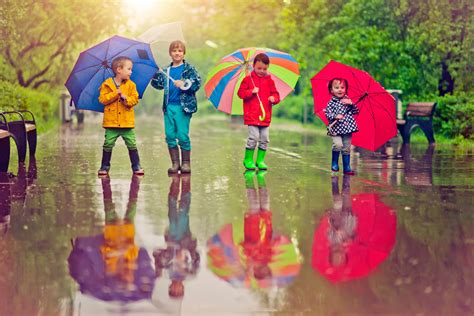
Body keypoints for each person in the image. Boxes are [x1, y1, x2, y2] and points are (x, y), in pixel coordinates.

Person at [151, 40, 201, 174]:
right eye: (174, 51)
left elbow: (197, 83)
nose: (177, 53)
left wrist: (184, 83)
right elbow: (157, 85)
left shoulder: (188, 69)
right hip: (169, 107)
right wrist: (155, 73)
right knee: (170, 135)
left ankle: (185, 163)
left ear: (184, 53)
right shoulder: (166, 70)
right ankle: (175, 163)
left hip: (183, 107)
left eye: (179, 51)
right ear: (170, 53)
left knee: (182, 135)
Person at [153, 174, 200, 298]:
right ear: (183, 288)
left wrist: (159, 267)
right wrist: (186, 251)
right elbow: (197, 256)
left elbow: (157, 254)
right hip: (184, 238)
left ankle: (176, 184)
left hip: (173, 238)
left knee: (174, 213)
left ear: (169, 287)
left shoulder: (165, 272)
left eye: (174, 290)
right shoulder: (190, 272)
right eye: (178, 290)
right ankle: (184, 185)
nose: (176, 287)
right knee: (183, 213)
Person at [97, 56, 144, 176]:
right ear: (119, 69)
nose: (131, 72)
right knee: (108, 144)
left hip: (126, 123)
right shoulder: (106, 85)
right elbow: (102, 99)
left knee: (132, 144)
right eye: (129, 69)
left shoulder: (131, 85)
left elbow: (135, 99)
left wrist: (125, 98)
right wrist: (115, 94)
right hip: (111, 123)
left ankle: (136, 166)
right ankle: (104, 166)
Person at [238, 53, 280, 170]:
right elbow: (240, 93)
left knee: (265, 138)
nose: (262, 71)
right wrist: (251, 91)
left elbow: (276, 94)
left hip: (265, 116)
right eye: (259, 68)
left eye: (265, 69)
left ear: (268, 67)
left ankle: (260, 160)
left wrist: (274, 99)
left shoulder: (269, 81)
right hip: (252, 115)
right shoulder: (247, 80)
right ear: (253, 66)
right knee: (254, 137)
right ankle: (248, 159)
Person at [325, 78, 359, 175]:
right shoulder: (331, 103)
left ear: (346, 89)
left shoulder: (347, 100)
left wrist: (351, 103)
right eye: (336, 88)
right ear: (331, 90)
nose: (340, 89)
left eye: (342, 87)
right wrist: (335, 116)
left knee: (346, 148)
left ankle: (347, 168)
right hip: (336, 129)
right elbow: (327, 114)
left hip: (348, 128)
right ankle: (334, 163)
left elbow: (356, 111)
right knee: (338, 145)